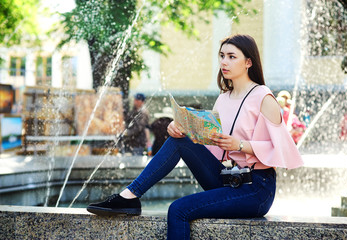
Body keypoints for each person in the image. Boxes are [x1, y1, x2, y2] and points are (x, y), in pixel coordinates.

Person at [87, 34, 304, 239]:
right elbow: (210, 144)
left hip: (256, 188)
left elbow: (282, 150)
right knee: (178, 139)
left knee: (178, 209)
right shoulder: (224, 99)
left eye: (231, 57)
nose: (224, 62)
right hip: (227, 177)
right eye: (221, 56)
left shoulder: (264, 97)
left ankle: (128, 198)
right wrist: (181, 128)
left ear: (248, 62)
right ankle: (130, 196)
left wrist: (240, 145)